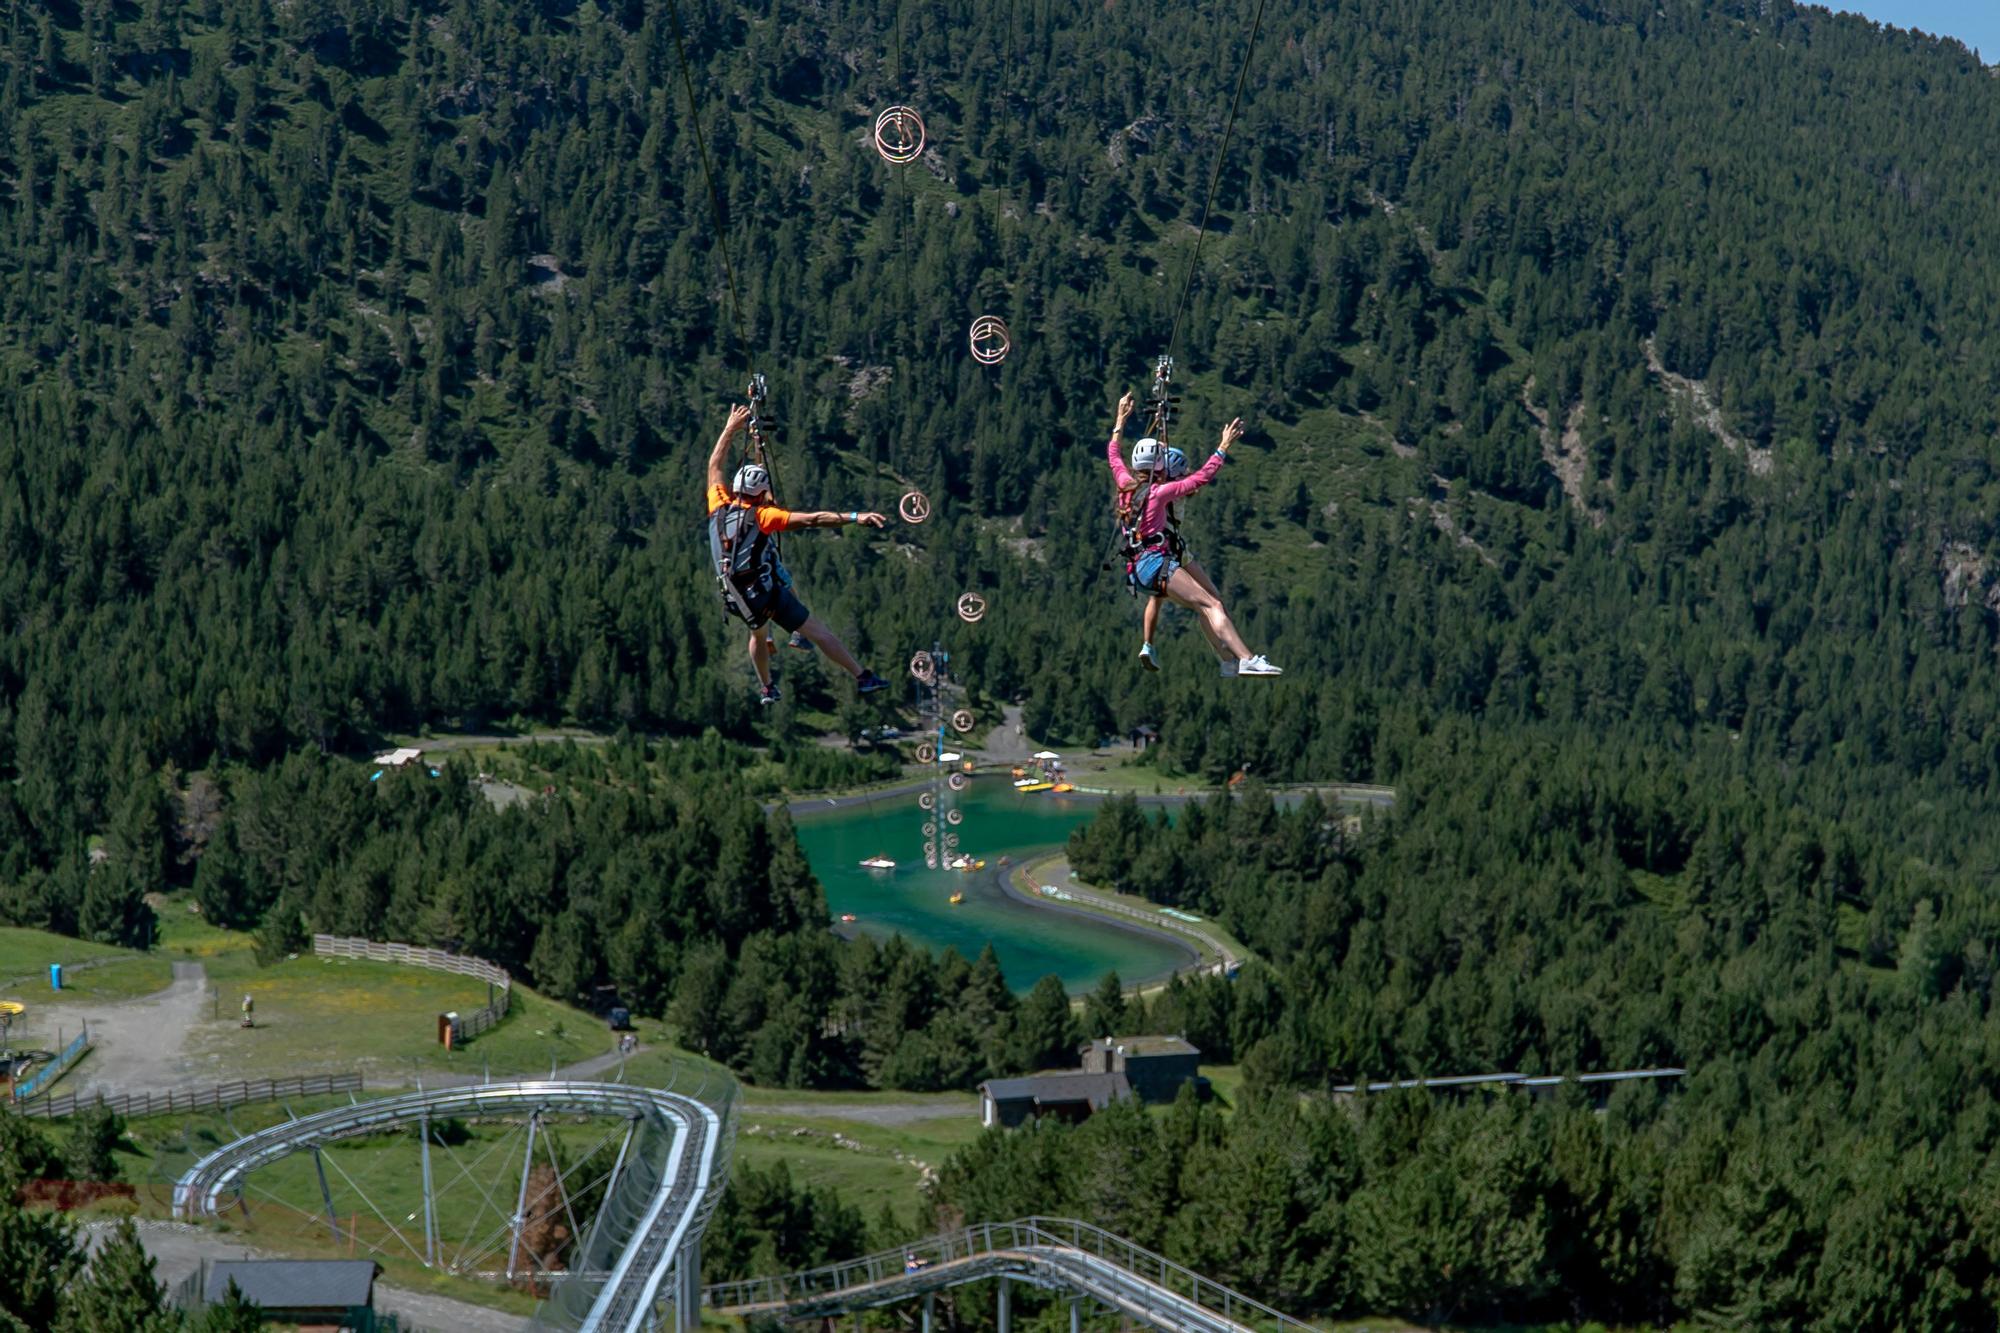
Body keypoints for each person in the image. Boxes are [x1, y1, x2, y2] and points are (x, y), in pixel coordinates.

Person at [707, 404, 892, 705]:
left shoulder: (717, 507)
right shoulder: (765, 516)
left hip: (735, 596)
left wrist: (730, 427)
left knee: (757, 632)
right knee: (817, 630)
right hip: (763, 594)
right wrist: (856, 516)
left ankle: (767, 687)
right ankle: (862, 676)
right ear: (761, 494)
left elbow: (714, 466)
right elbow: (813, 519)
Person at [1106, 392, 1281, 676]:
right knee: (1212, 604)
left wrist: (1120, 419)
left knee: (1207, 606)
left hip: (1138, 568)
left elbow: (1114, 455)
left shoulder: (1124, 485)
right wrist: (1223, 447)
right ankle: (1246, 658)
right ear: (1159, 466)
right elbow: (1201, 477)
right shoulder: (1160, 493)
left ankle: (1228, 663)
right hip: (1156, 562)